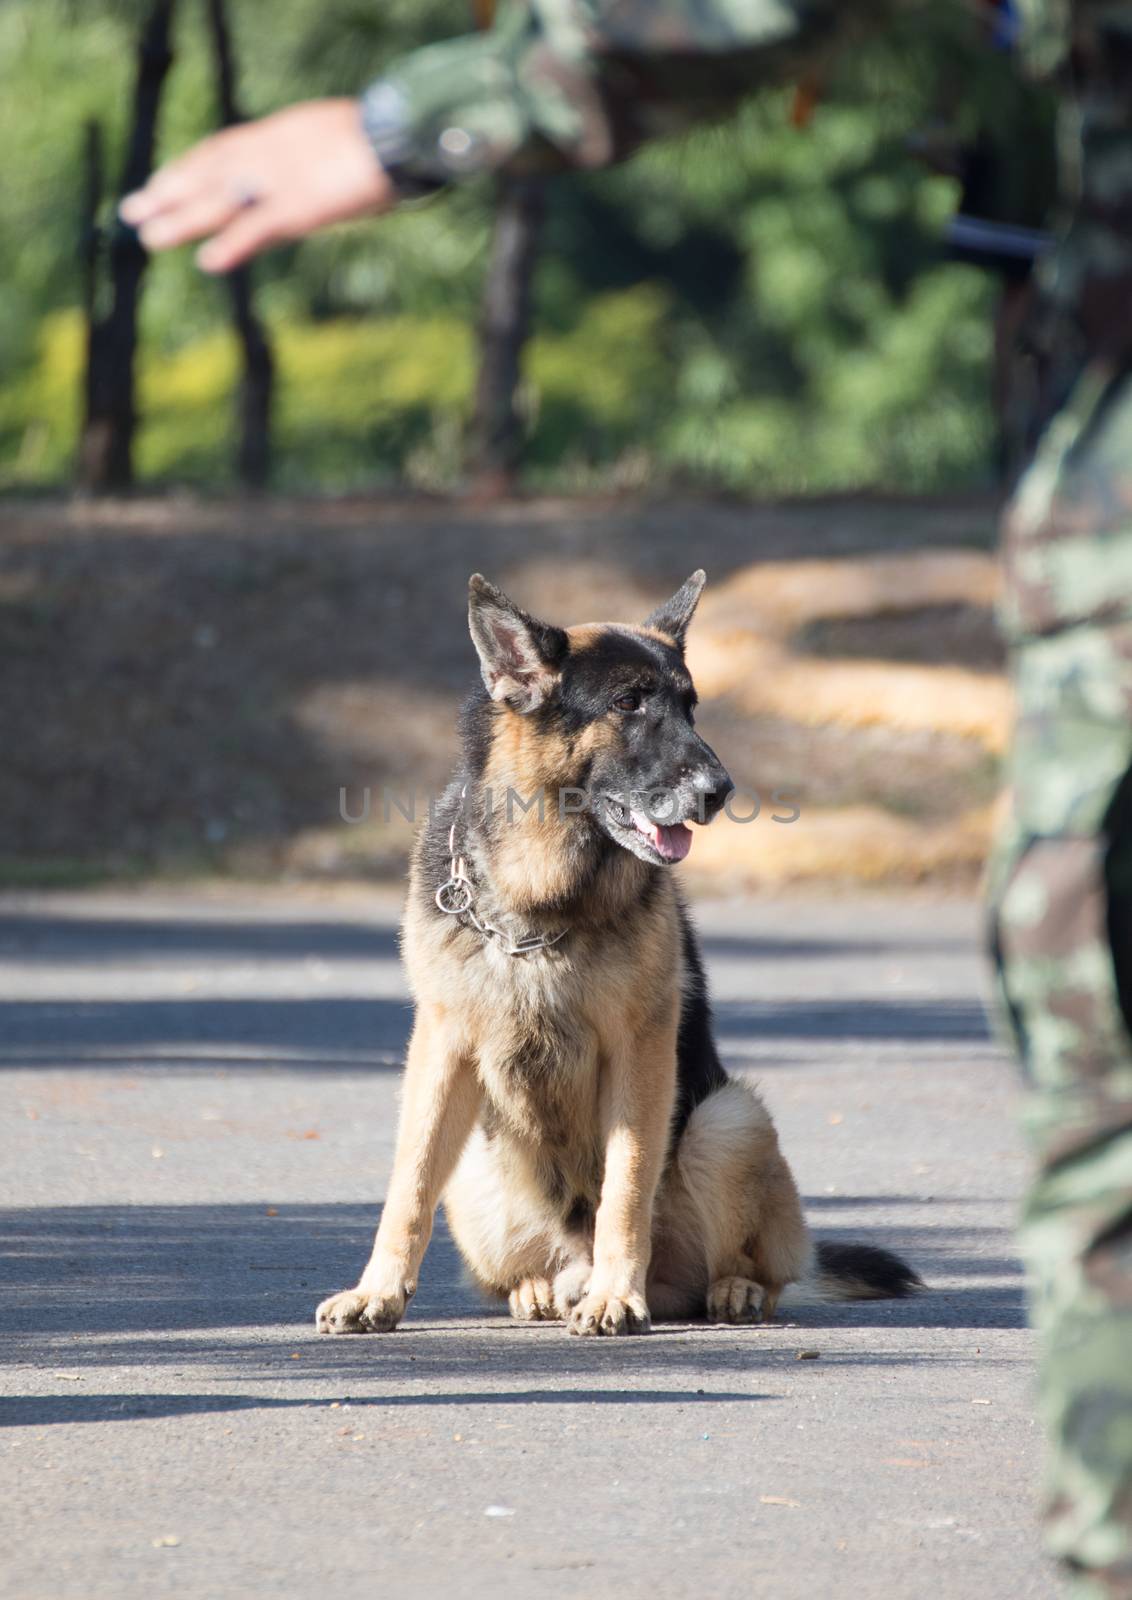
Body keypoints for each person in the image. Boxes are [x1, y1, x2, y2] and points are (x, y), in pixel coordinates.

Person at [122, 5, 1132, 1594]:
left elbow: (655, 1061)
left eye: (683, 712)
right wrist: (389, 1268)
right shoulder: (473, 826)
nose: (686, 757)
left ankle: (717, 1267)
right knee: (468, 1135)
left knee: (717, 1109)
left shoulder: (642, 868)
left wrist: (633, 1258)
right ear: (525, 696)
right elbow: (440, 1052)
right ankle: (477, 1263)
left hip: (667, 1203)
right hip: (539, 1195)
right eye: (638, 719)